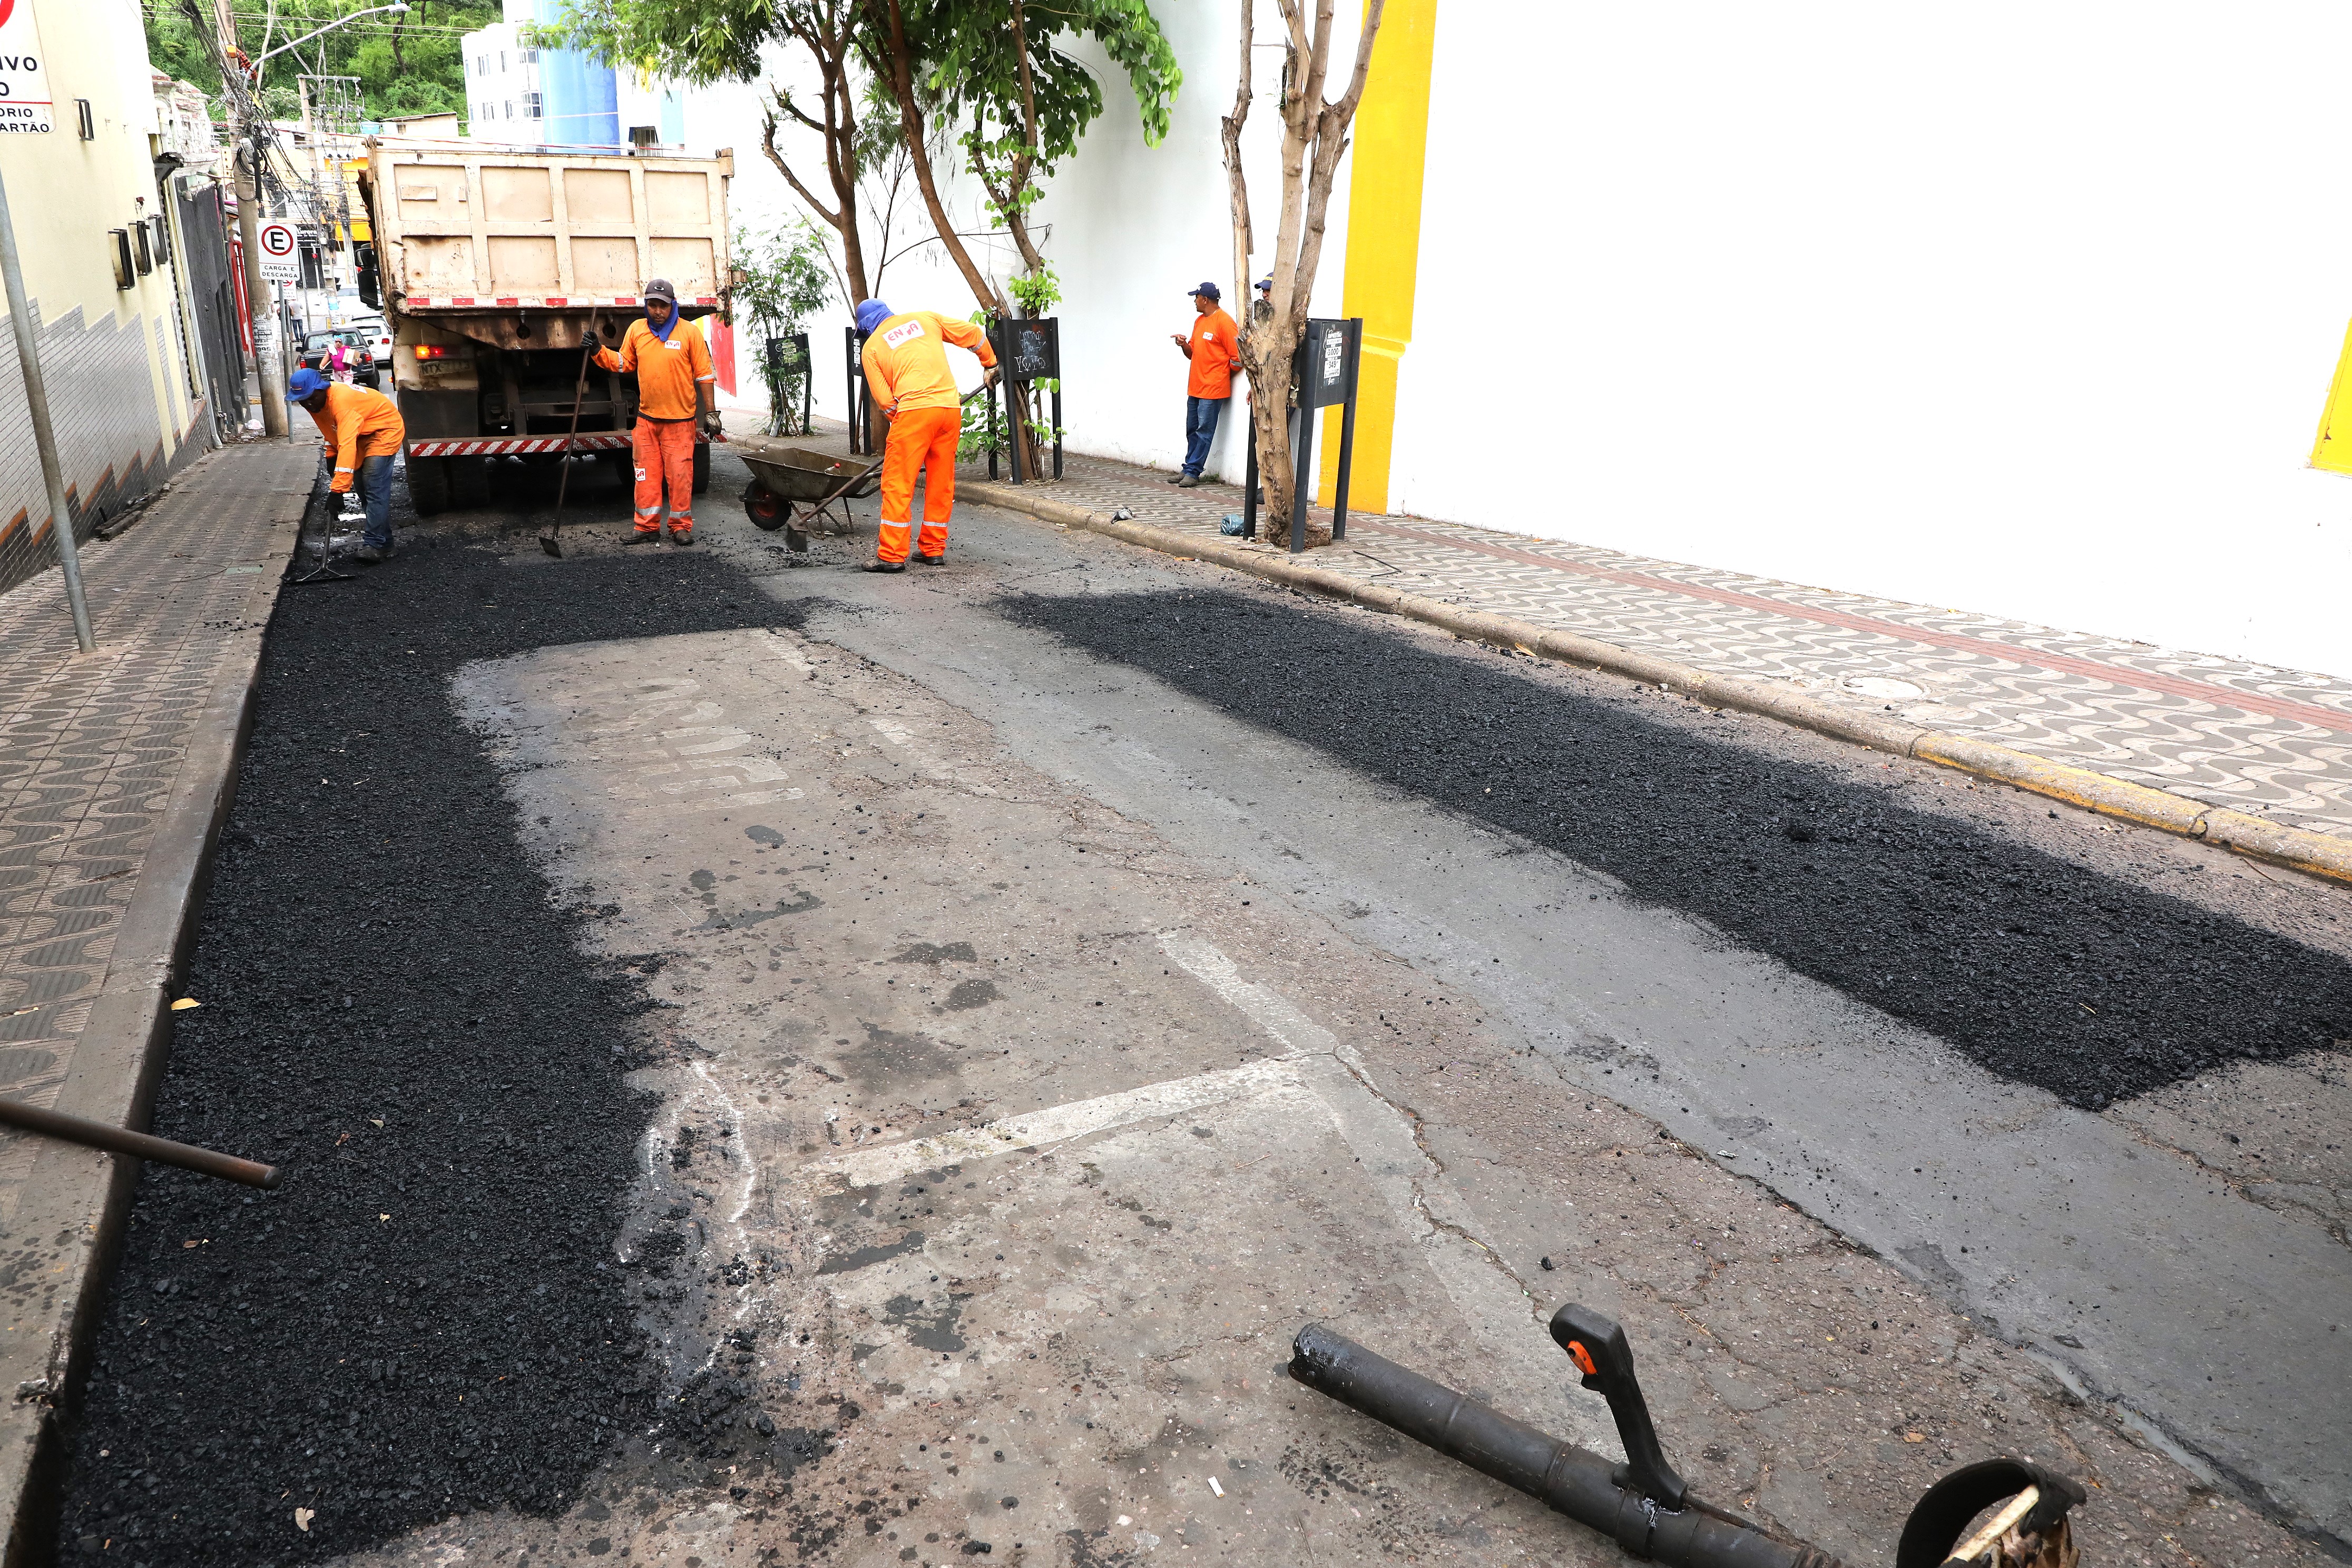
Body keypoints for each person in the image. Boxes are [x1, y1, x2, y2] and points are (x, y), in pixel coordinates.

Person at [854, 298, 998, 573]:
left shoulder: (871, 348)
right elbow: (973, 334)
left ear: (866, 327)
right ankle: (933, 550)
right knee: (941, 481)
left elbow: (885, 402)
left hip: (914, 413)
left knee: (898, 483)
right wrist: (990, 363)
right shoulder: (925, 318)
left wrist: (907, 423)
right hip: (949, 409)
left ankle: (892, 555)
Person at [591, 278, 718, 545]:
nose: (657, 311)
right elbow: (624, 363)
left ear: (673, 305)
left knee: (680, 477)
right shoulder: (637, 330)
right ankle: (646, 527)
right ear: (646, 305)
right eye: (652, 305)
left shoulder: (689, 333)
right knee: (645, 476)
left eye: (663, 306)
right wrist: (597, 350)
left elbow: (705, 375)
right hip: (647, 422)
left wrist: (711, 413)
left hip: (680, 423)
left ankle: (680, 527)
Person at [288, 365, 405, 563]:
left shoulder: (342, 404)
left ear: (322, 389)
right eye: (302, 400)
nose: (308, 404)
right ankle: (386, 544)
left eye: (310, 398)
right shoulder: (315, 402)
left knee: (373, 485)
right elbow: (331, 429)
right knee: (362, 489)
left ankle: (374, 544)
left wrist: (337, 491)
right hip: (361, 432)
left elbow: (347, 445)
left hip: (384, 430)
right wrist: (331, 455)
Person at [1168, 281, 1239, 486]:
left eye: (1197, 298)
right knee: (1192, 429)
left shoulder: (1225, 322)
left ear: (1205, 300)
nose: (1195, 301)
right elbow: (1192, 353)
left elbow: (1238, 358)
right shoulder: (1200, 321)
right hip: (1196, 387)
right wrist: (1183, 345)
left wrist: (1221, 375)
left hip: (1212, 390)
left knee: (1204, 432)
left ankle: (1193, 472)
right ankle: (1188, 468)